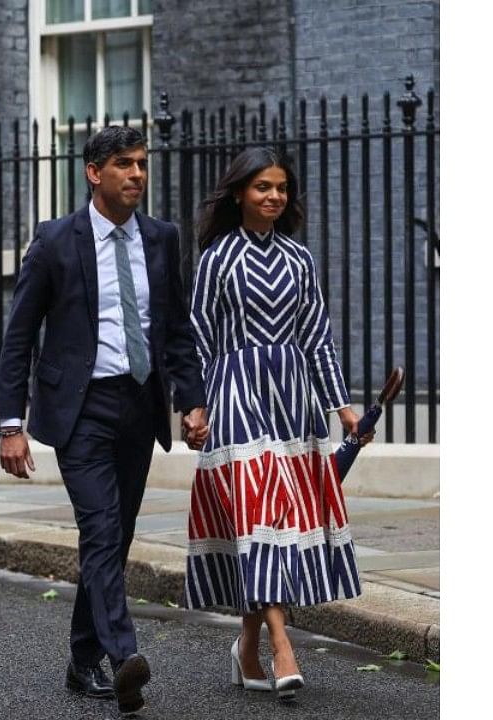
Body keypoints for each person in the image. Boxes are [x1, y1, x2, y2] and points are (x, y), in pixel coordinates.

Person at [0, 125, 208, 716]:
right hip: (80, 410)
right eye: (123, 164)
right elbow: (17, 341)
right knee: (102, 530)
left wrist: (192, 400)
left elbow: (176, 332)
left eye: (141, 164)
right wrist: (11, 425)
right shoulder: (56, 241)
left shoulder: (162, 240)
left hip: (139, 407)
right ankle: (123, 657)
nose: (136, 174)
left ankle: (81, 658)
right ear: (94, 173)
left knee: (115, 536)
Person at [183, 146, 373, 700]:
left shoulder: (300, 260)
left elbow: (317, 338)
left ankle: (245, 648)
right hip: (236, 398)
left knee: (272, 525)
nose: (273, 196)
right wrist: (194, 406)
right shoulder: (217, 258)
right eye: (262, 186)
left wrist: (343, 409)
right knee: (259, 513)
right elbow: (198, 336)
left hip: (292, 402)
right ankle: (281, 644)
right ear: (240, 192)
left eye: (281, 188)